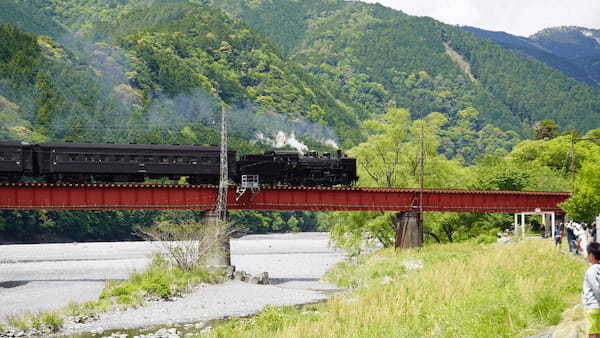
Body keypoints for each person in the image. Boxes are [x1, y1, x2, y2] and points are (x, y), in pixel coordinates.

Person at [583, 242, 600, 338]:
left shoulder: (591, 270)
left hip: (593, 307)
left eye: (588, 254)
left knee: (593, 334)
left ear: (591, 256)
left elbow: (596, 288)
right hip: (597, 308)